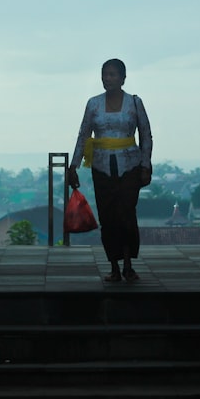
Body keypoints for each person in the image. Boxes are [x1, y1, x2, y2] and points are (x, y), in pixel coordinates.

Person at [67, 58, 153, 282]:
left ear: (123, 78)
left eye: (113, 74)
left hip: (130, 166)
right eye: (105, 74)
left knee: (126, 214)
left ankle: (128, 264)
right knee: (108, 217)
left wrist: (146, 165)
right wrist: (73, 165)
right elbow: (83, 134)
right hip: (101, 167)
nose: (108, 78)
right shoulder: (93, 104)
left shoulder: (134, 103)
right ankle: (114, 266)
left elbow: (146, 134)